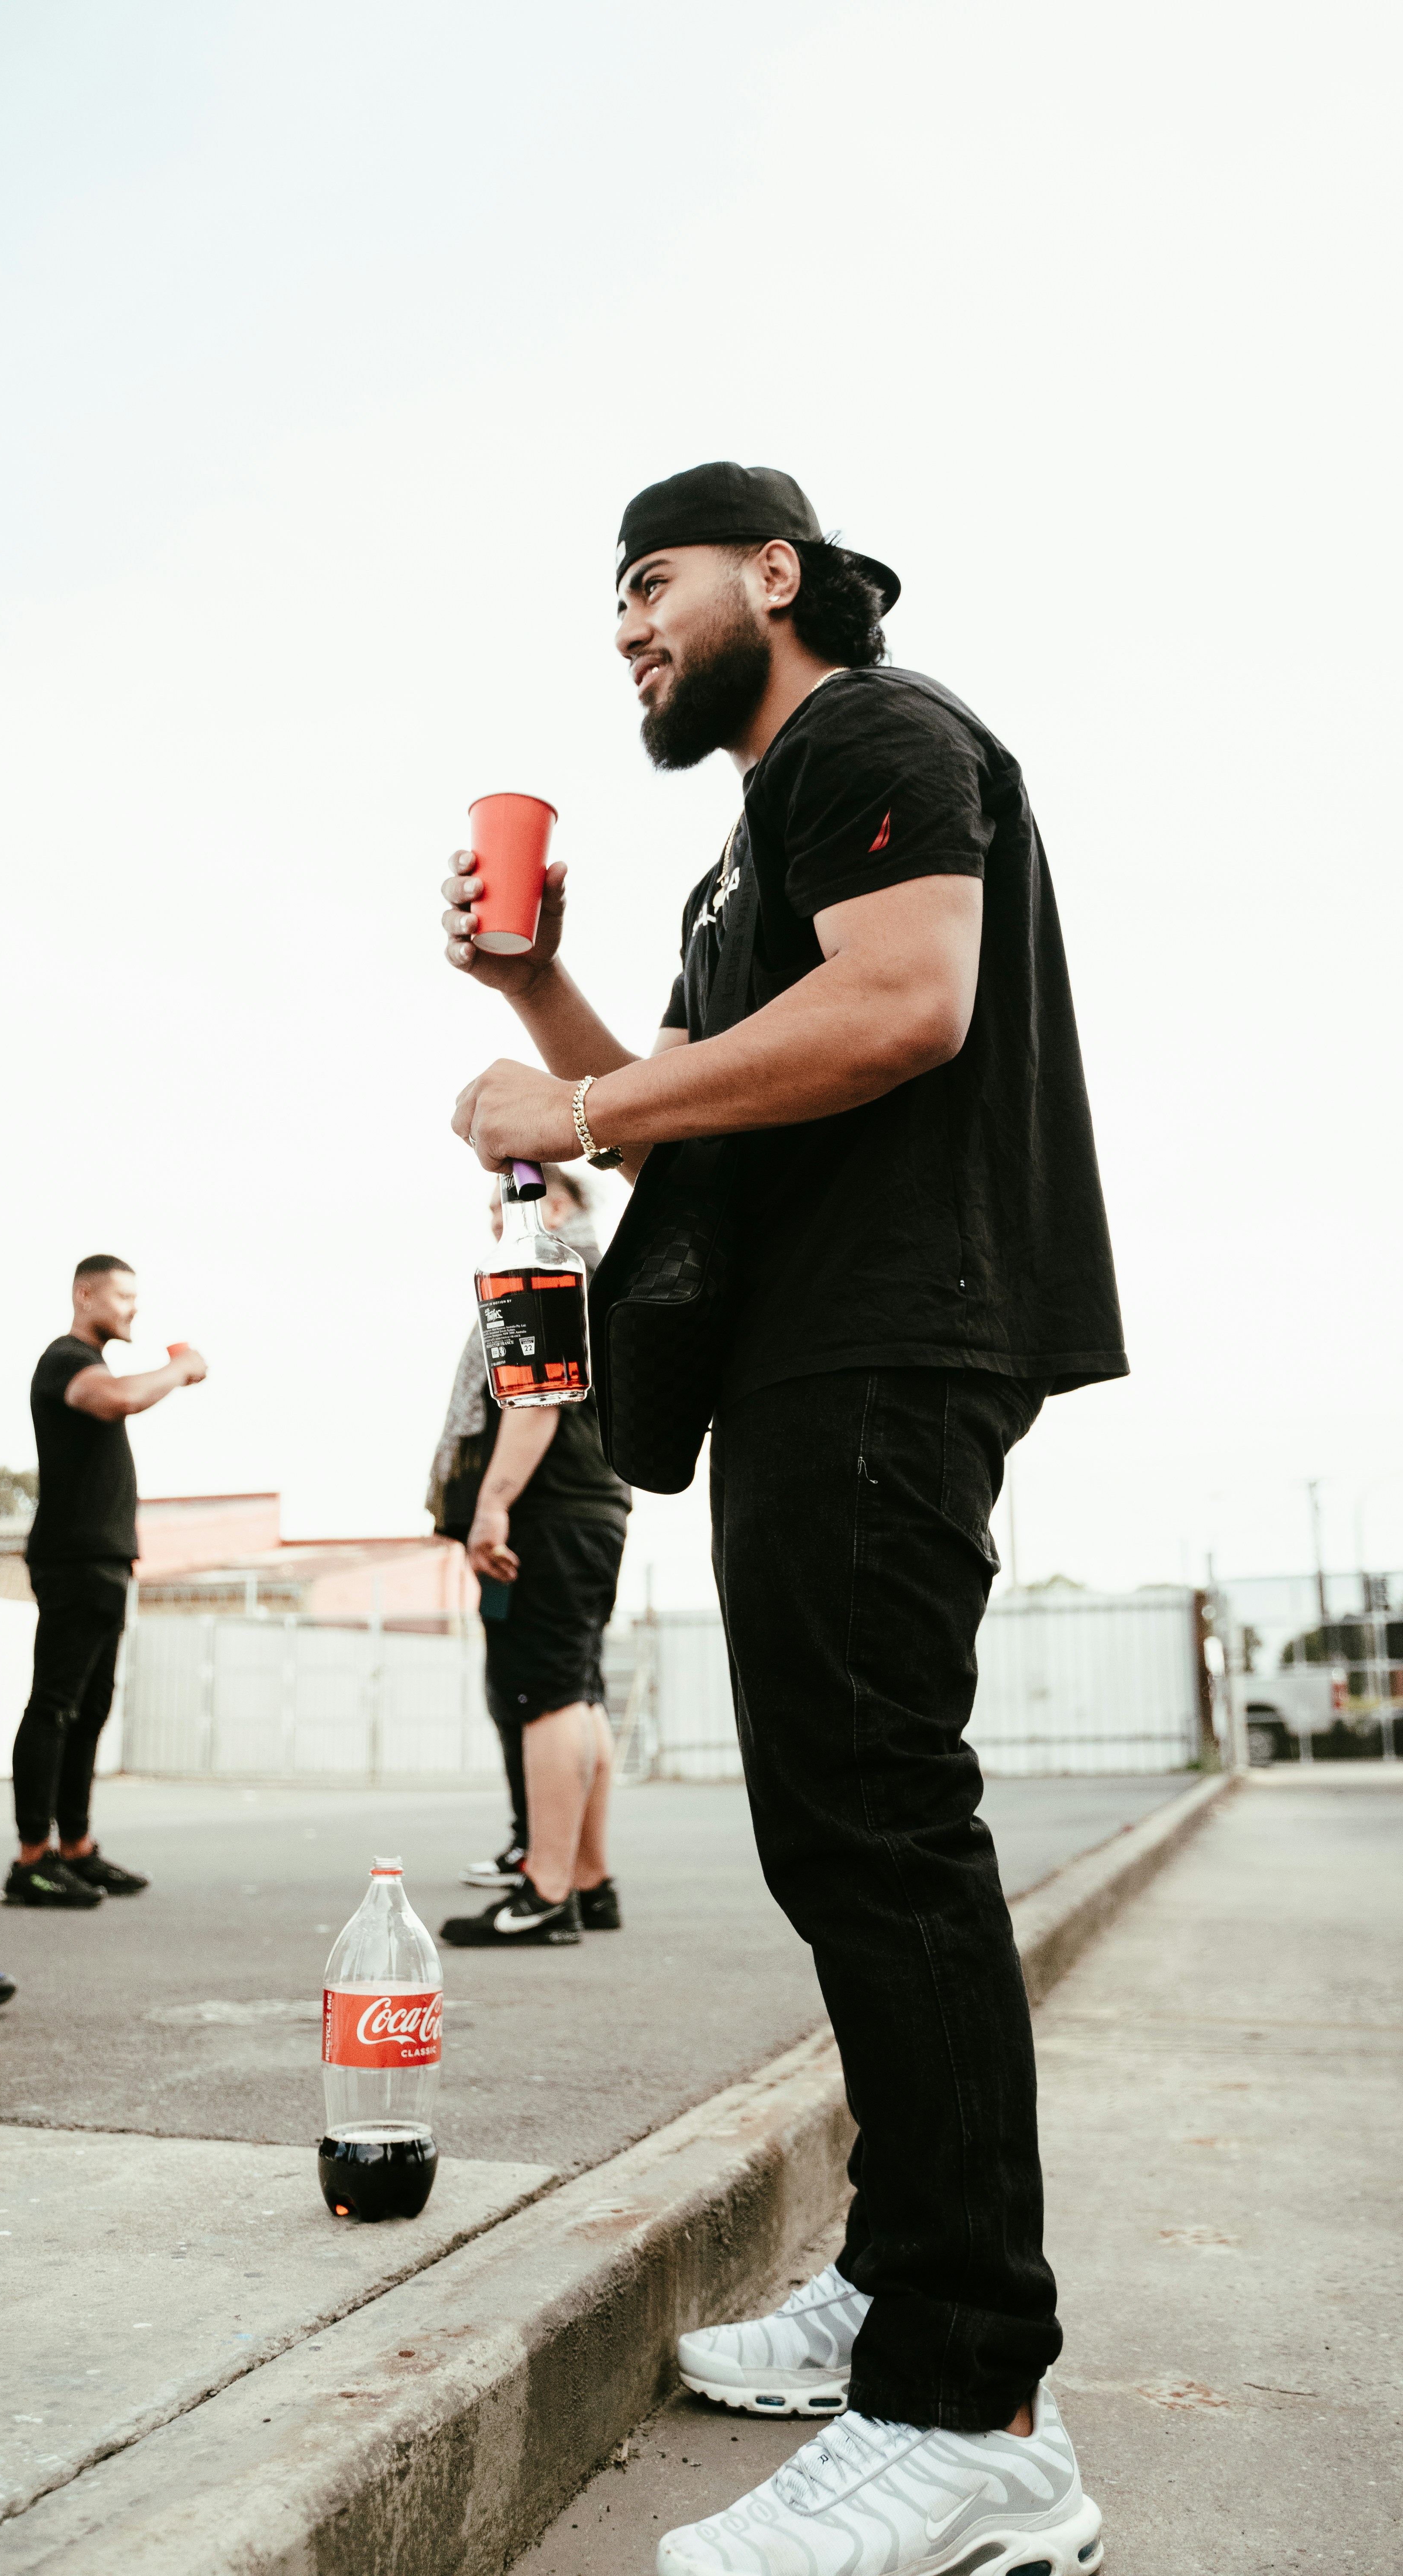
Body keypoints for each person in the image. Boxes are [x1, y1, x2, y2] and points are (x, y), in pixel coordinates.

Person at [443, 463, 1126, 2575]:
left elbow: (908, 1004)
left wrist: (585, 1099)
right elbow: (687, 1114)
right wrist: (537, 1007)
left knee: (879, 1823)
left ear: (775, 570)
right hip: (806, 1343)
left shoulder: (876, 730)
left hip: (894, 1333)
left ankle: (971, 2401)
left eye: (648, 583)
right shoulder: (754, 853)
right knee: (839, 1825)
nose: (627, 628)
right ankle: (897, 2283)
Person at [430, 1164, 631, 1947]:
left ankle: (546, 1894)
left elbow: (536, 1396)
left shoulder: (547, 1270)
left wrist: (491, 1505)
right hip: (594, 1505)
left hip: (547, 1513)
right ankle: (588, 1879)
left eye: (512, 1196)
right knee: (578, 1694)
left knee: (544, 1695)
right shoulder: (604, 1275)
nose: (499, 1215)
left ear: (566, 1203)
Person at [4, 1255, 207, 1909]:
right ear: (84, 1293)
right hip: (73, 1561)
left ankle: (76, 1850)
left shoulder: (87, 1361)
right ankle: (32, 1859)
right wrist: (180, 1366)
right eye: (122, 1296)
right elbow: (119, 1398)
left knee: (89, 1709)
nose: (132, 1309)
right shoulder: (65, 1359)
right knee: (56, 1705)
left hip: (105, 1560)